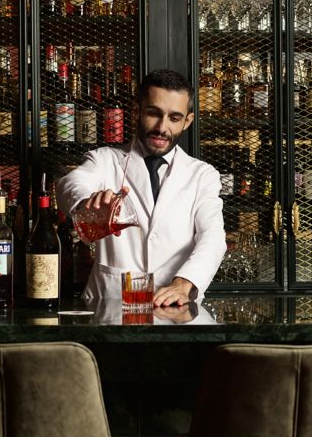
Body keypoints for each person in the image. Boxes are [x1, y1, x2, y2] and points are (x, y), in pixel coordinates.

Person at [57, 69, 227, 307]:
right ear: (136, 110)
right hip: (110, 305)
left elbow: (213, 237)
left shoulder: (202, 175)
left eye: (174, 118)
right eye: (153, 113)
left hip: (175, 310)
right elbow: (70, 184)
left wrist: (184, 283)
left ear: (187, 121)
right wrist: (88, 201)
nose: (162, 127)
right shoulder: (105, 160)